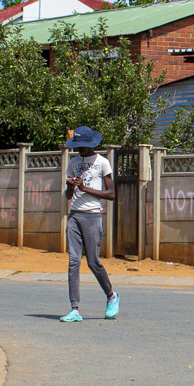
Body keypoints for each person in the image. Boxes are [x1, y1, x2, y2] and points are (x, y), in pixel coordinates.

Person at [60, 125, 118, 322]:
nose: (79, 150)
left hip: (93, 216)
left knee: (93, 262)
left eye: (82, 146)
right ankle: (74, 309)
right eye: (77, 147)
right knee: (73, 261)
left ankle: (111, 296)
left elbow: (111, 194)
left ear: (91, 144)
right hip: (75, 215)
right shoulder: (73, 163)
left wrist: (85, 188)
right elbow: (68, 195)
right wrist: (70, 188)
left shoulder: (102, 163)